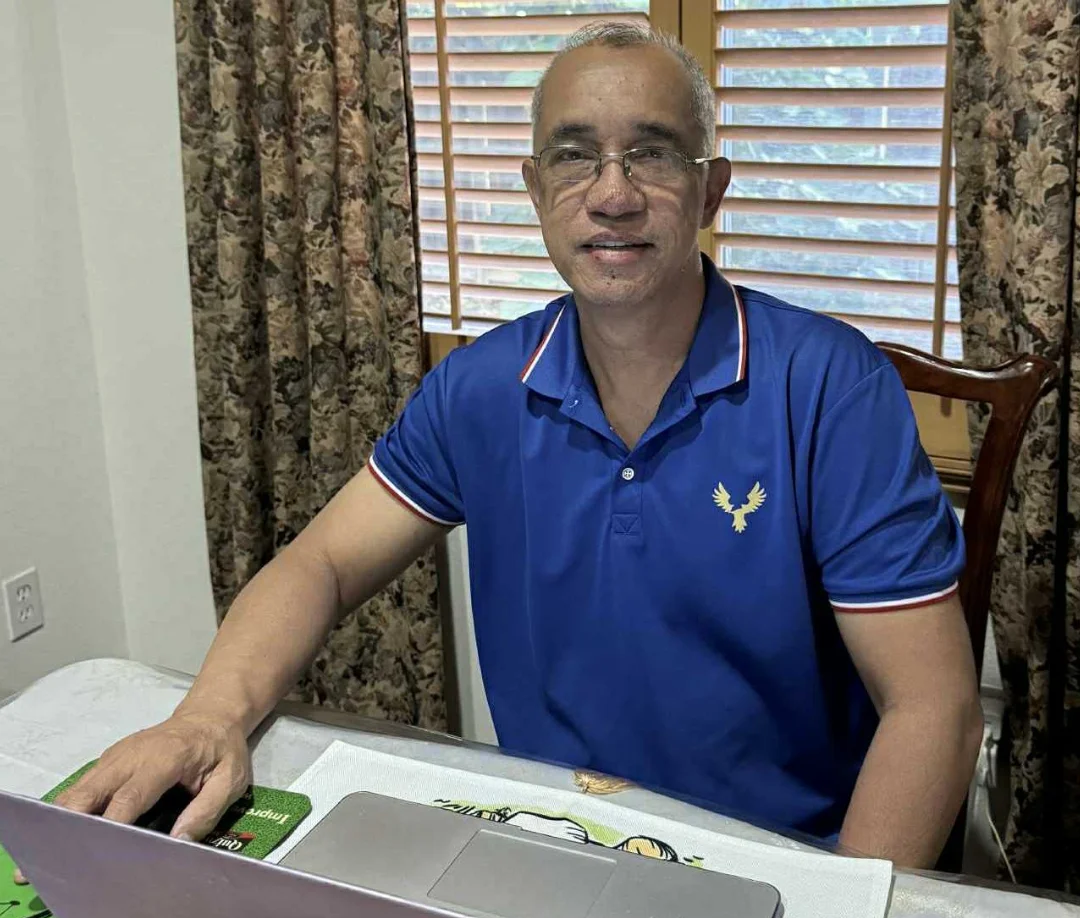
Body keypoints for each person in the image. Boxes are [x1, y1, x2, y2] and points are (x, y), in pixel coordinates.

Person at [28, 23, 982, 874]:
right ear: (535, 190)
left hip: (781, 860)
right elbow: (320, 563)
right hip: (549, 842)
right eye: (574, 158)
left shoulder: (830, 387)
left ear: (711, 189)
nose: (612, 195)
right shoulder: (483, 386)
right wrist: (207, 718)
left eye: (652, 154)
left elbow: (933, 707)